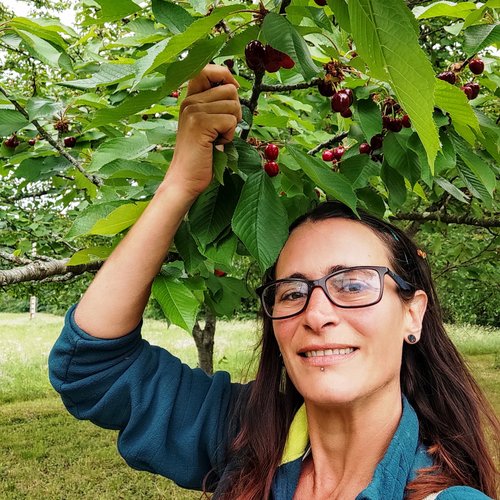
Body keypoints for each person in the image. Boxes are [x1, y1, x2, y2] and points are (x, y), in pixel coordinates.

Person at [49, 65, 498, 500]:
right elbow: (94, 368)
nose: (317, 314)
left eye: (354, 285)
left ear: (412, 314)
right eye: (293, 292)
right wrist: (179, 184)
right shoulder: (246, 434)